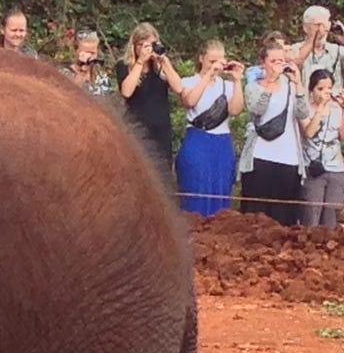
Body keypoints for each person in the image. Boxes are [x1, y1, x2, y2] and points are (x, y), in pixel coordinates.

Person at [239, 44, 309, 225]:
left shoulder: (292, 87)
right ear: (263, 63)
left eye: (282, 61)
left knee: (285, 216)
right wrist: (270, 83)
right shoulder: (253, 87)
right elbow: (257, 109)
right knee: (257, 214)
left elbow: (303, 113)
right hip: (260, 156)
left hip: (288, 158)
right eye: (274, 61)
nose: (278, 65)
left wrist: (298, 84)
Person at [174, 40, 245, 218]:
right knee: (196, 190)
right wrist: (207, 76)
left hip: (221, 143)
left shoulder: (227, 86)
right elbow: (190, 102)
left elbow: (235, 109)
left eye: (219, 61)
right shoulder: (189, 82)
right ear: (201, 59)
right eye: (211, 61)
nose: (215, 66)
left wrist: (237, 81)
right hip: (198, 141)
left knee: (219, 190)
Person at [115, 23, 185, 172]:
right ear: (135, 46)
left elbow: (179, 87)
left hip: (161, 129)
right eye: (142, 45)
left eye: (151, 44)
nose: (147, 49)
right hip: (138, 129)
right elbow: (126, 91)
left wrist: (165, 63)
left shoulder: (158, 65)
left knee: (162, 173)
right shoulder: (124, 65)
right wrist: (140, 62)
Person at [299, 70, 344, 227]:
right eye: (320, 89)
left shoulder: (336, 109)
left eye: (328, 88)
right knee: (312, 212)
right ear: (311, 90)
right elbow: (309, 132)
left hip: (336, 168)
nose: (325, 92)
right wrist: (320, 108)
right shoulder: (305, 109)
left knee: (331, 213)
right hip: (313, 168)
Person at [291, 5, 344, 90]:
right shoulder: (295, 49)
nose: (323, 29)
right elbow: (294, 63)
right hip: (305, 101)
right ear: (305, 27)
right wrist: (312, 39)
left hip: (332, 102)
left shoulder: (337, 51)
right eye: (317, 25)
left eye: (326, 25)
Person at [66, 29, 114, 96]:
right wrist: (82, 70)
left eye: (92, 53)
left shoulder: (102, 77)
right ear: (76, 50)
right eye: (86, 52)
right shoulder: (65, 73)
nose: (89, 56)